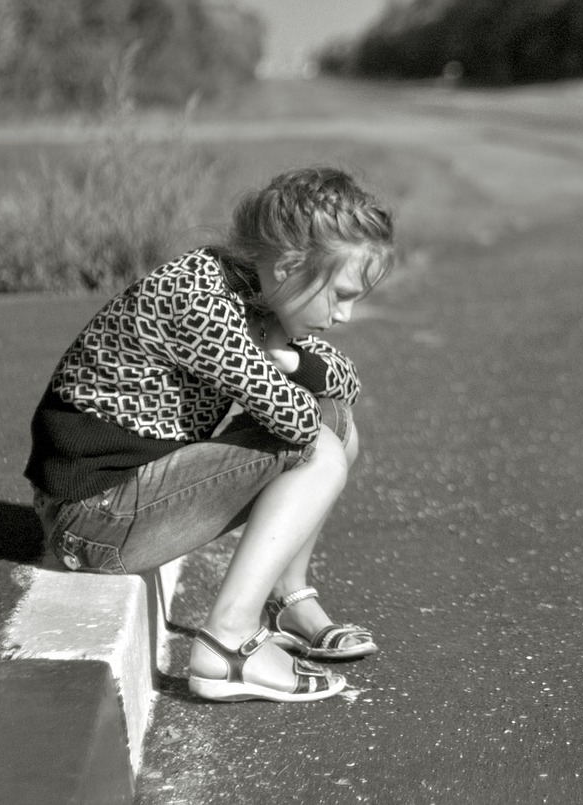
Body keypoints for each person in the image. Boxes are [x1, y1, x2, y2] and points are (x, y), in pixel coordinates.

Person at [24, 166, 395, 703]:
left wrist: (285, 356)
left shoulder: (253, 288)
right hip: (93, 520)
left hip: (121, 500)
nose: (346, 314)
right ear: (291, 266)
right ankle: (229, 645)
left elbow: (345, 384)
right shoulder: (200, 300)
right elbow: (296, 423)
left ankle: (287, 599)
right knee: (320, 448)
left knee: (335, 423)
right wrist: (283, 361)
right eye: (339, 294)